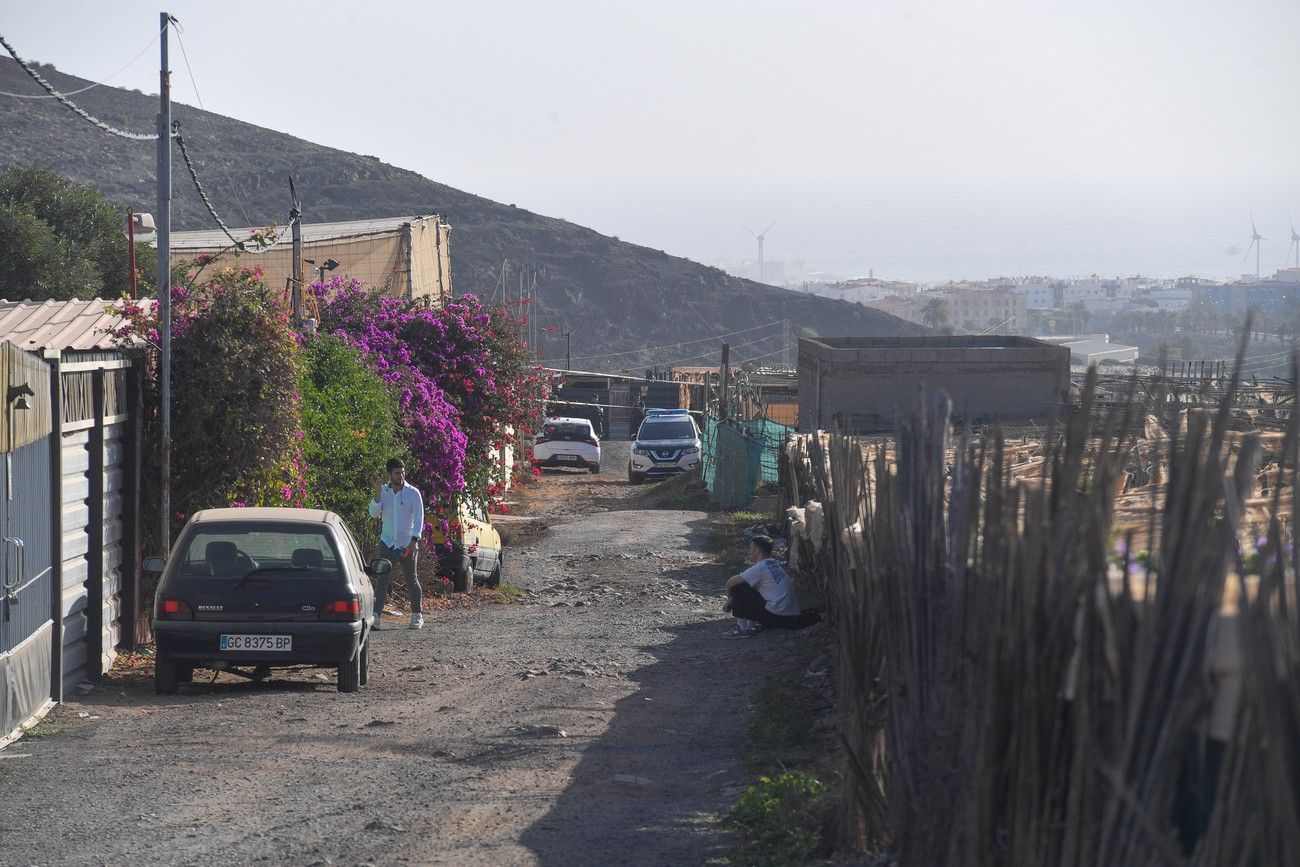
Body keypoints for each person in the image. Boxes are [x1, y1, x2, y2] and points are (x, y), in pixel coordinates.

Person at [368, 457, 425, 630]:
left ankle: (417, 614)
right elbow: (373, 514)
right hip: (387, 543)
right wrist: (377, 495)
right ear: (390, 474)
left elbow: (419, 518)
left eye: (402, 472)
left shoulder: (412, 493)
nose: (400, 475)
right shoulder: (384, 491)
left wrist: (414, 541)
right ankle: (376, 616)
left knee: (411, 579)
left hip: (406, 545)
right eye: (396, 473)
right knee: (382, 580)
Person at [723, 535, 820, 635]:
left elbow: (731, 582)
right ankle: (750, 625)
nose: (749, 552)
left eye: (751, 549)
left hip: (777, 617)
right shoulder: (775, 564)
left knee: (738, 586)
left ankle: (741, 629)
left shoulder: (761, 567)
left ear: (757, 551)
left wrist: (729, 600)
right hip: (790, 617)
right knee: (747, 584)